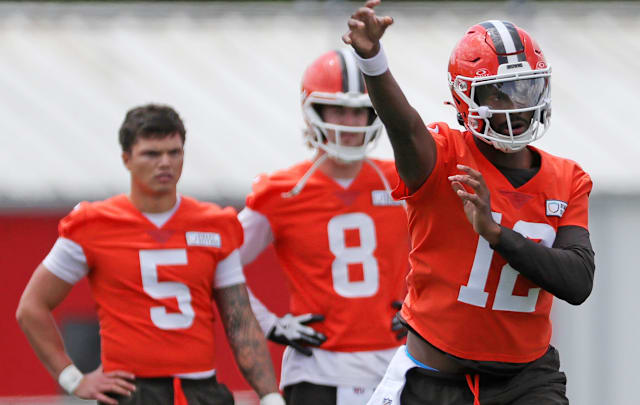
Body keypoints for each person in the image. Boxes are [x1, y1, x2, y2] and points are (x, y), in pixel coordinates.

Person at [343, 2, 596, 404]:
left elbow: (578, 282)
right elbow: (404, 127)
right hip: (434, 381)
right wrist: (372, 61)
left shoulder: (568, 179)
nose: (517, 104)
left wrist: (496, 234)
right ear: (467, 99)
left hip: (527, 383)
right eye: (500, 93)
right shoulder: (443, 156)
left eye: (526, 88)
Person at [16, 104, 285, 405]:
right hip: (134, 391)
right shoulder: (93, 225)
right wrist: (72, 378)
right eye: (152, 154)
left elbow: (239, 320)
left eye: (174, 152)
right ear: (126, 159)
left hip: (200, 390)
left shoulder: (214, 224)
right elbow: (31, 307)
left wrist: (270, 395)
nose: (165, 163)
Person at [238, 49, 410, 405]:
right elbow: (219, 264)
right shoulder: (283, 191)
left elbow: (449, 250)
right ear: (313, 110)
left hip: (395, 366)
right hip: (317, 370)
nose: (349, 123)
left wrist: (422, 305)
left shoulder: (400, 182)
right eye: (338, 109)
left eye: (359, 111)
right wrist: (269, 322)